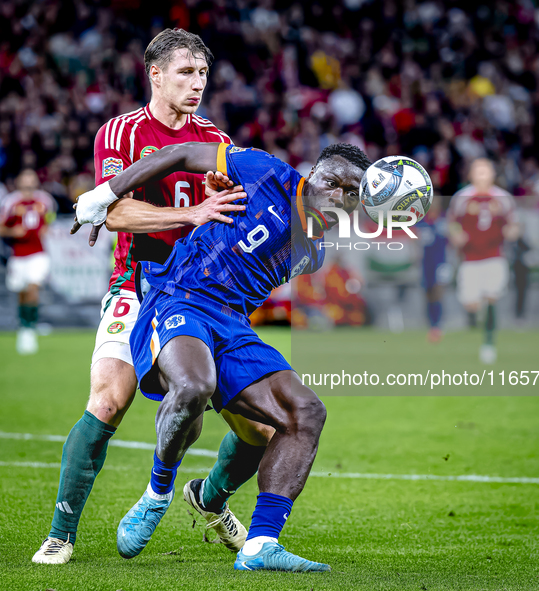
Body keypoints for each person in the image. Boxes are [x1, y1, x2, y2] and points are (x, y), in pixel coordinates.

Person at [33, 28, 274, 565]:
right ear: (156, 75)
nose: (197, 83)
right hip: (136, 283)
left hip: (198, 293)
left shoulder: (214, 138)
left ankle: (208, 498)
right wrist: (189, 213)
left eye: (204, 73)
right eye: (186, 72)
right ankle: (60, 533)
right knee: (108, 400)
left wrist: (225, 203)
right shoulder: (121, 134)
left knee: (259, 427)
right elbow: (111, 212)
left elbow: (230, 214)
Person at [75, 140, 371, 572]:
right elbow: (176, 154)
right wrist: (103, 196)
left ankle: (260, 545)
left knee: (306, 411)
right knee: (195, 385)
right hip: (178, 298)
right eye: (330, 181)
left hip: (233, 325)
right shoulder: (265, 171)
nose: (335, 195)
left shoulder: (315, 252)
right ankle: (157, 495)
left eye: (350, 193)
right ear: (311, 174)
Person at [448, 159, 519, 363]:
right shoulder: (461, 198)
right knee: (472, 305)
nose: (482, 175)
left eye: (486, 171)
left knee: (491, 297)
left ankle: (488, 343)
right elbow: (452, 223)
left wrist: (511, 232)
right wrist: (456, 236)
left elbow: (513, 224)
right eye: (478, 171)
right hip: (470, 258)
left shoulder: (503, 198)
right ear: (470, 174)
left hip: (494, 256)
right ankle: (479, 318)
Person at [0, 169, 56, 354]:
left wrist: (47, 227)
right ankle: (23, 326)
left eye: (31, 178)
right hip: (18, 255)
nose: (29, 182)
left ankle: (30, 329)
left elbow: (51, 217)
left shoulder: (44, 200)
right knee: (21, 291)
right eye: (25, 178)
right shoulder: (11, 201)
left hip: (38, 253)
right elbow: (2, 227)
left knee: (33, 287)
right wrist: (12, 232)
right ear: (19, 181)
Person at [417, 195, 449, 343]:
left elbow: (452, 239)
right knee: (428, 293)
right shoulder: (422, 222)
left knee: (438, 291)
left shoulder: (444, 220)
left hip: (441, 262)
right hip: (426, 263)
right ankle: (431, 324)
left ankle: (437, 325)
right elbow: (415, 240)